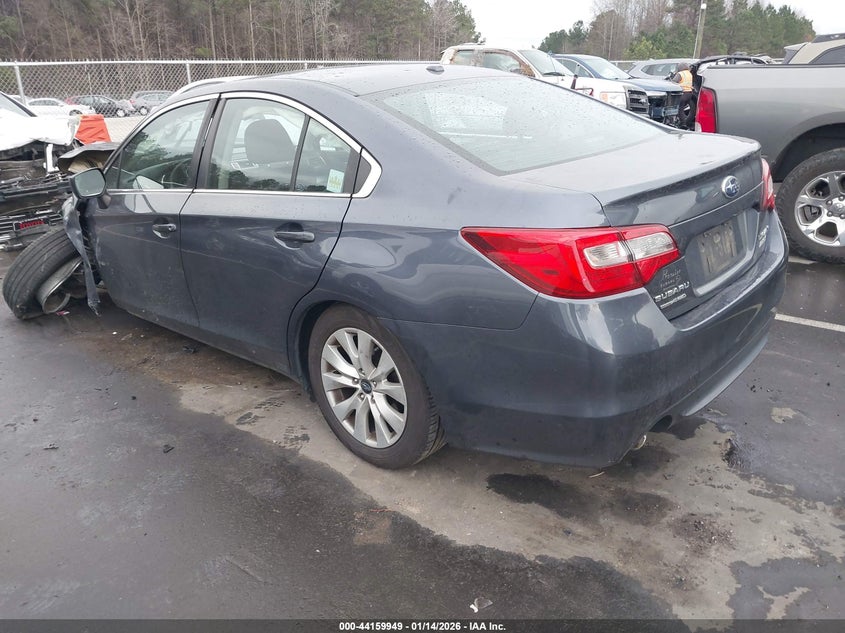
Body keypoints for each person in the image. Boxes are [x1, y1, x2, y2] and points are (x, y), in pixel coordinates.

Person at [672, 62, 695, 129]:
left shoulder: (680, 74)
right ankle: (684, 121)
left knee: (680, 109)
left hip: (683, 93)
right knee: (683, 109)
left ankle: (683, 124)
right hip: (689, 93)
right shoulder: (689, 73)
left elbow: (673, 82)